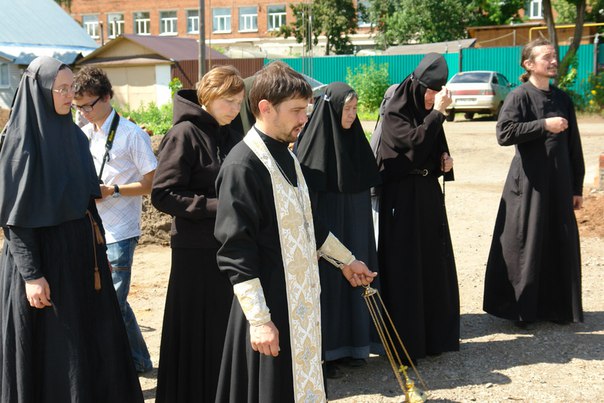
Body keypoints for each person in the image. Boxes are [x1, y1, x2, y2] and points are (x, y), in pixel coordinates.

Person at [213, 61, 377, 402]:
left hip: (300, 304)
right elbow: (236, 249)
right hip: (269, 307)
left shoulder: (287, 156)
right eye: (296, 111)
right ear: (265, 108)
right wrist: (260, 320)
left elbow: (308, 223)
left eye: (306, 110)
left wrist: (347, 262)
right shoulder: (243, 165)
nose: (304, 119)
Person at [0, 56, 143, 402]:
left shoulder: (75, 138)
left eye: (72, 88)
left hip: (81, 261)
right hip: (42, 264)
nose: (70, 96)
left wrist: (99, 253)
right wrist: (32, 275)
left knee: (89, 346)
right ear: (40, 91)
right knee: (53, 352)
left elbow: (87, 203)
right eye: (62, 89)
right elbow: (16, 220)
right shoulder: (19, 144)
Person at [151, 65, 245, 403]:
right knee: (195, 330)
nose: (234, 109)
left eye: (239, 103)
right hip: (194, 251)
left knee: (221, 329)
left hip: (227, 245)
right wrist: (218, 207)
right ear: (208, 96)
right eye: (228, 101)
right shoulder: (184, 134)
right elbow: (163, 194)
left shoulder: (232, 133)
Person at [483, 38, 585, 326]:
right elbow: (504, 133)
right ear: (528, 64)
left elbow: (574, 146)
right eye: (547, 57)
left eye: (554, 56)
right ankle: (522, 310)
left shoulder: (563, 99)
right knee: (526, 245)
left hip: (560, 183)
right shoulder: (519, 96)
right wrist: (543, 125)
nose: (553, 61)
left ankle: (557, 309)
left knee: (558, 241)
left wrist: (576, 187)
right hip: (528, 185)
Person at [73, 66, 157, 374]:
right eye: (78, 107)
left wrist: (114, 190)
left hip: (121, 231)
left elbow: (151, 183)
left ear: (107, 96)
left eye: (88, 105)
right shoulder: (85, 133)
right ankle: (140, 360)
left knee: (112, 303)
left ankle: (122, 365)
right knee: (113, 301)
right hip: (93, 228)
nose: (83, 113)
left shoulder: (132, 134)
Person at [295, 82, 382, 378]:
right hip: (329, 228)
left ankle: (355, 346)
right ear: (332, 110)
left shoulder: (356, 142)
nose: (352, 114)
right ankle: (328, 352)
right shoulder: (312, 145)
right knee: (331, 285)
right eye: (347, 109)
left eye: (355, 109)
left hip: (356, 224)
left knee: (357, 276)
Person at [376, 53, 460, 362]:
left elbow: (432, 148)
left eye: (438, 92)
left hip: (426, 196)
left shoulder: (429, 111)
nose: (433, 98)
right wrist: (437, 114)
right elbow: (412, 143)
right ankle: (406, 342)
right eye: (430, 91)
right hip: (401, 200)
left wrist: (443, 164)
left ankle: (434, 337)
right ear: (417, 85)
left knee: (432, 263)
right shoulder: (395, 112)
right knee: (406, 267)